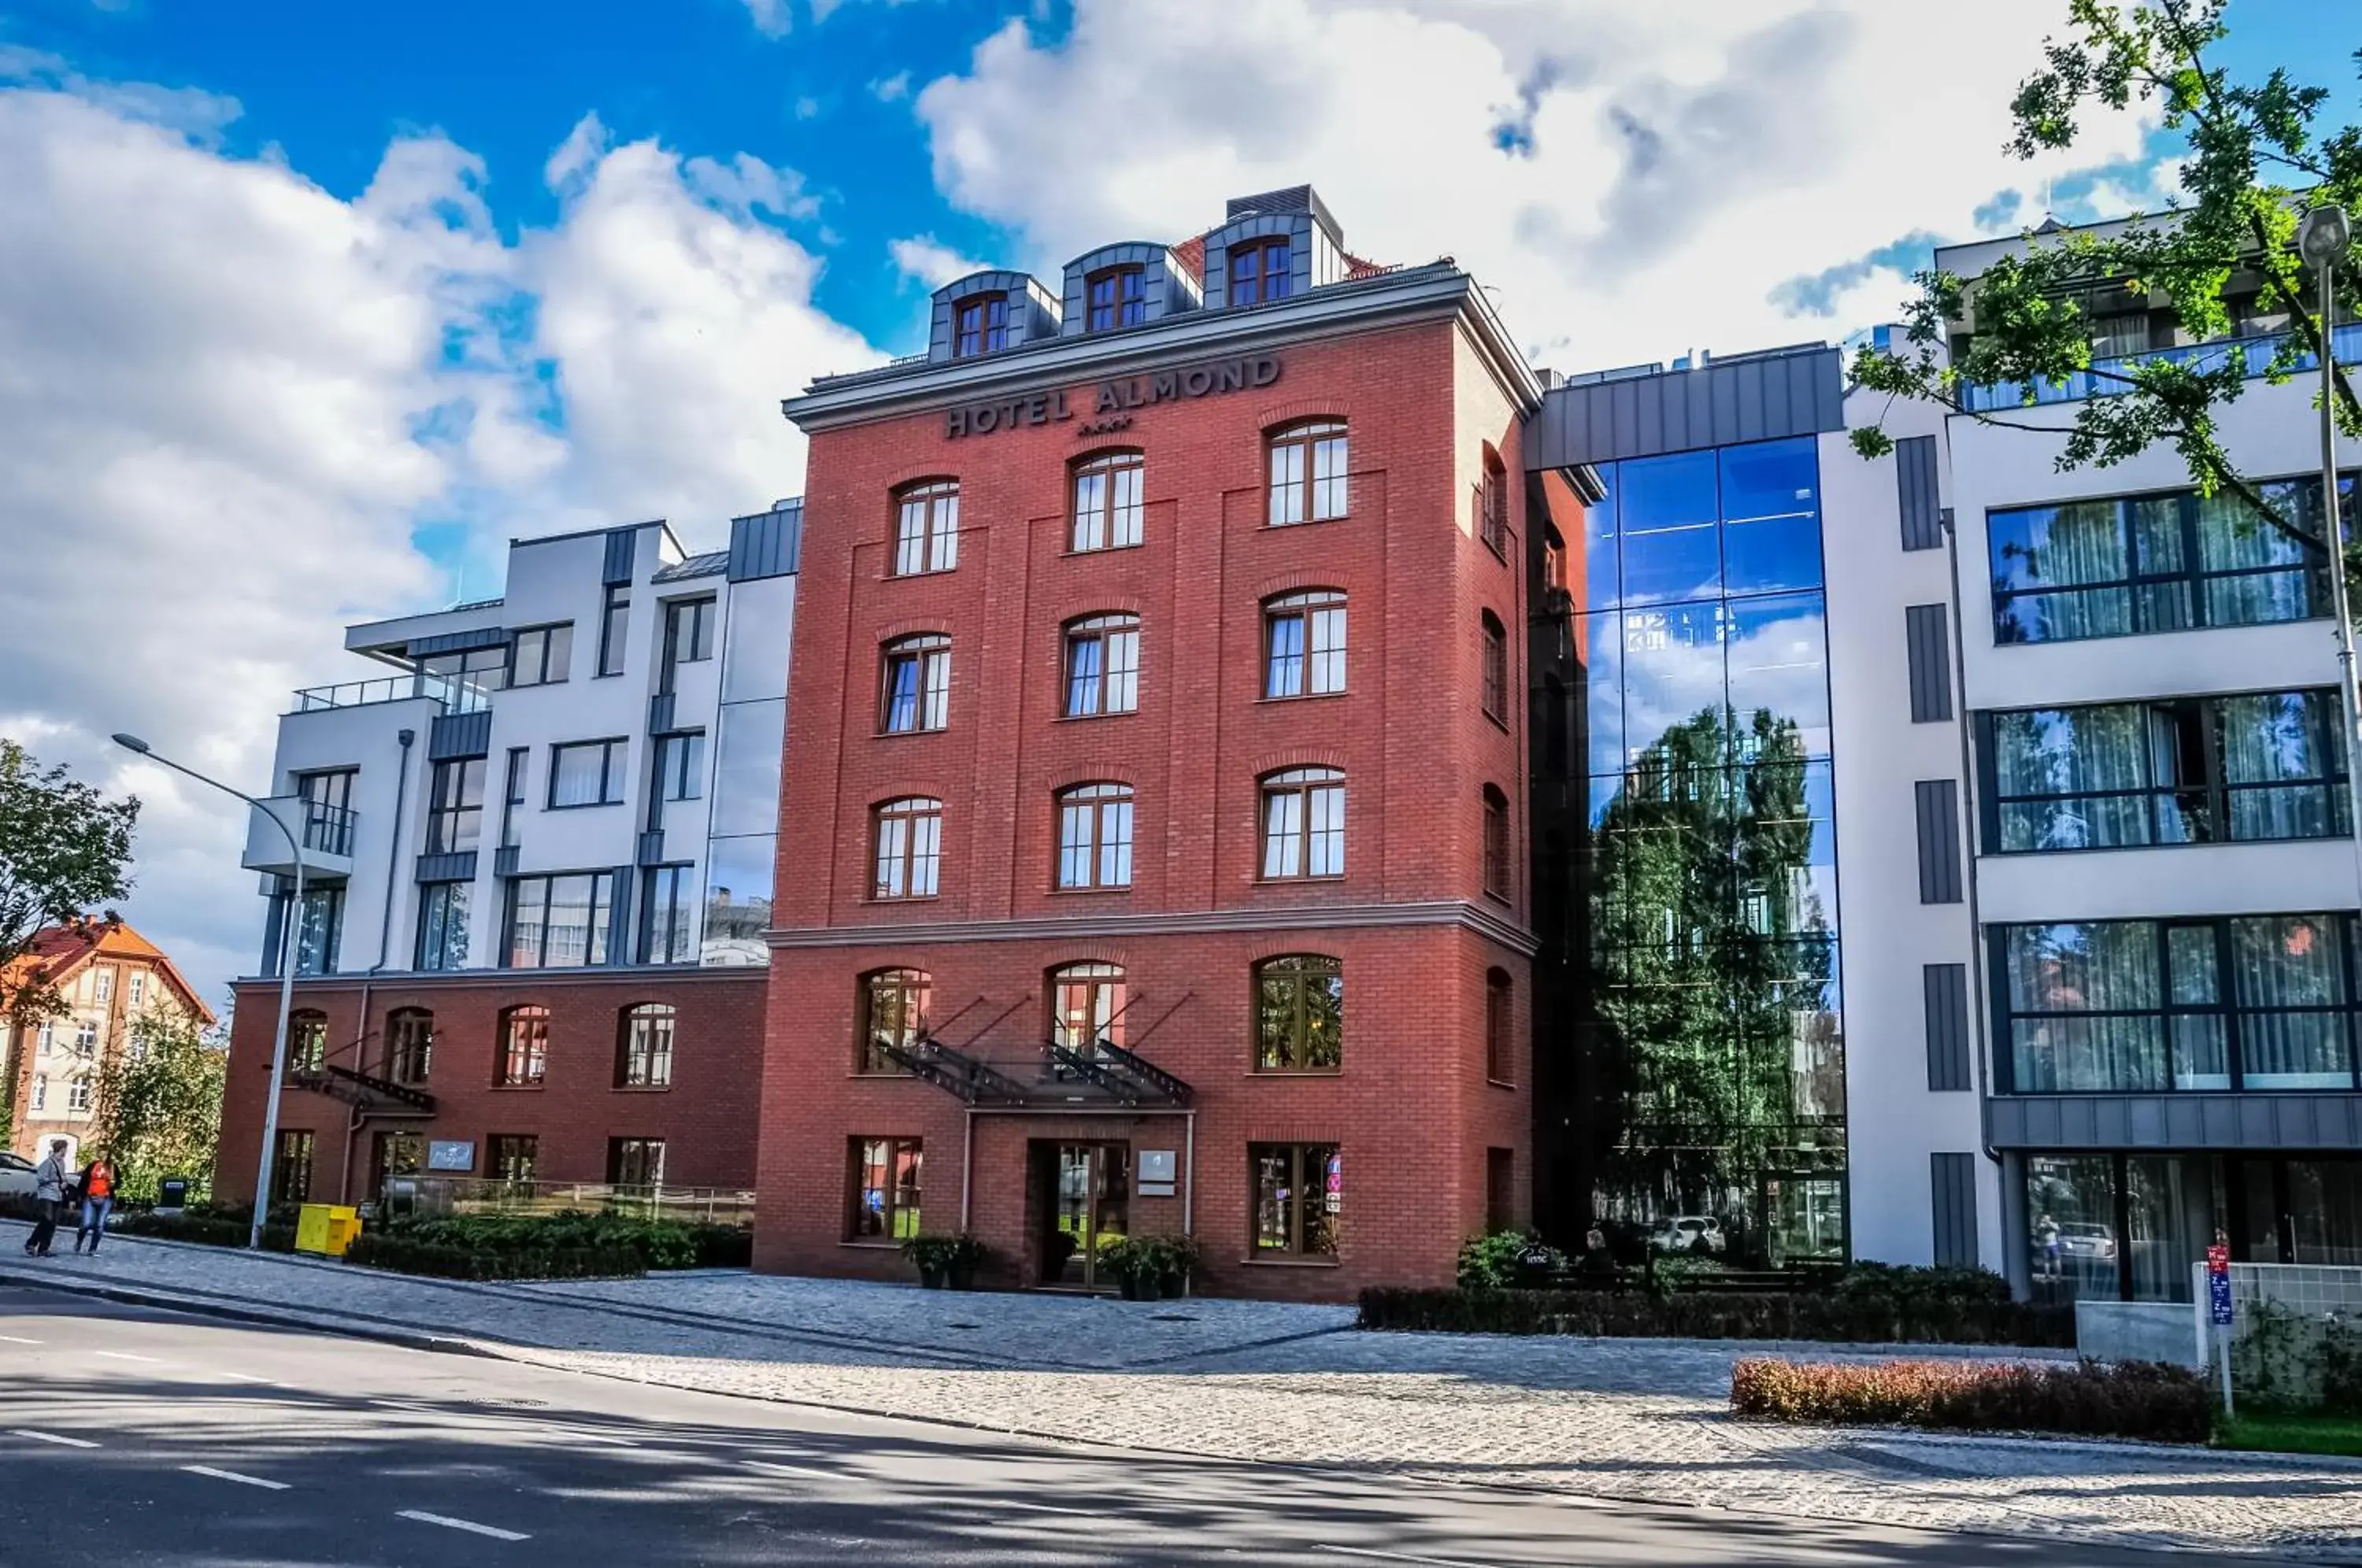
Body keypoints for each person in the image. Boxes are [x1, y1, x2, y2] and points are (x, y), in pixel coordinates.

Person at [23, 1140, 69, 1258]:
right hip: (47, 1194)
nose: (66, 1151)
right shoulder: (48, 1163)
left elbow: (63, 1177)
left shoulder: (62, 1163)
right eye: (65, 1149)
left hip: (57, 1195)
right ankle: (31, 1243)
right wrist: (54, 1180)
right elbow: (41, 1178)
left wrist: (64, 1183)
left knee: (53, 1223)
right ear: (62, 1149)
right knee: (47, 1220)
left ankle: (44, 1248)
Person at [74, 1155, 116, 1256]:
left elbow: (117, 1181)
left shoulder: (112, 1166)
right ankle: (79, 1240)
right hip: (90, 1196)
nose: (103, 1155)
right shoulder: (93, 1165)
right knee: (86, 1224)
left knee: (99, 1225)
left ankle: (92, 1249)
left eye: (105, 1152)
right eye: (101, 1151)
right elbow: (84, 1180)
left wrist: (113, 1184)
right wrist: (79, 1195)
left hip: (106, 1198)